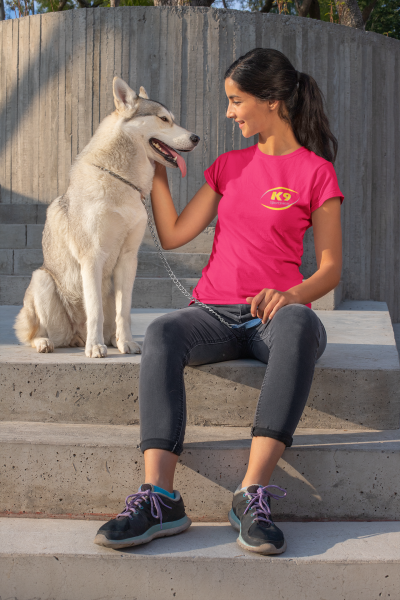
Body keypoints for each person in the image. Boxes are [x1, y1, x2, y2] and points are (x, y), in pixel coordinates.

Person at [94, 47, 344, 555]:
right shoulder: (228, 167)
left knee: (299, 325)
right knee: (163, 330)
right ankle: (160, 497)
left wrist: (291, 295)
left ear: (272, 100)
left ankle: (251, 494)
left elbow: (330, 268)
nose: (229, 112)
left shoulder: (316, 173)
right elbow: (173, 234)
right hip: (212, 313)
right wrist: (156, 163)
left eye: (236, 100)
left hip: (276, 316)